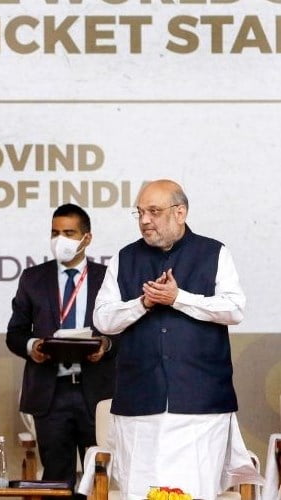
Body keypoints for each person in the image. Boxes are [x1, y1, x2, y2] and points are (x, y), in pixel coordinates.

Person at [93, 179, 256, 499]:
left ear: (180, 213)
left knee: (196, 491)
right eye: (140, 212)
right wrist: (142, 304)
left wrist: (178, 298)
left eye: (153, 211)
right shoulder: (124, 258)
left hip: (201, 407)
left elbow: (235, 309)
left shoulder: (214, 253)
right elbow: (103, 319)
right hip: (139, 407)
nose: (144, 220)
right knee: (139, 491)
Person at [6, 203, 115, 494]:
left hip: (96, 393)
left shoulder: (108, 278)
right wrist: (33, 346)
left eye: (69, 233)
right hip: (51, 394)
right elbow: (15, 334)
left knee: (99, 477)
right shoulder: (33, 278)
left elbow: (124, 332)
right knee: (56, 481)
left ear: (86, 238)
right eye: (55, 233)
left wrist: (105, 345)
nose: (60, 240)